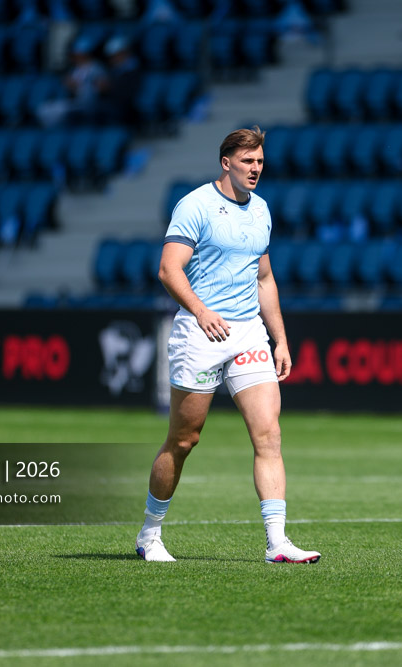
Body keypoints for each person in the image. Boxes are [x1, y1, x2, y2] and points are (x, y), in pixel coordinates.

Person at [134, 126, 320, 564]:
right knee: (184, 439)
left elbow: (264, 278)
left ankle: (278, 542)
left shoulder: (262, 211)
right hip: (200, 334)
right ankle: (150, 533)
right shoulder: (195, 205)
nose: (255, 169)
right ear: (226, 163)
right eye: (247, 161)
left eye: (259, 162)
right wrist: (201, 311)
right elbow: (168, 270)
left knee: (269, 434)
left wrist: (280, 338)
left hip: (248, 333)